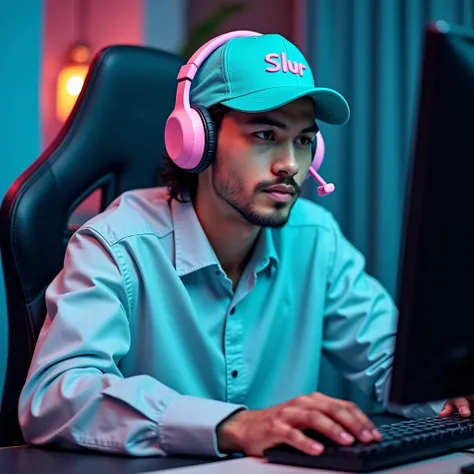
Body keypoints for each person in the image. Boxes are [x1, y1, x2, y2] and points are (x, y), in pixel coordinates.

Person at [18, 31, 473, 459]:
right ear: (197, 141)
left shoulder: (316, 241)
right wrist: (233, 425)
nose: (289, 165)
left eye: (303, 141)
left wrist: (444, 391)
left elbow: (389, 358)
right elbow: (56, 394)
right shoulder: (116, 245)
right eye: (265, 136)